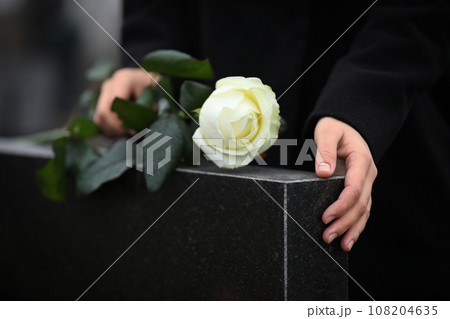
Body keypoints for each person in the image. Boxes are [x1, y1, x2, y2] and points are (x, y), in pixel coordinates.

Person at [94, 0, 450, 300]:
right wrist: (150, 60)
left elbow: (418, 13)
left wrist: (359, 106)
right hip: (202, 137)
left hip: (381, 144)